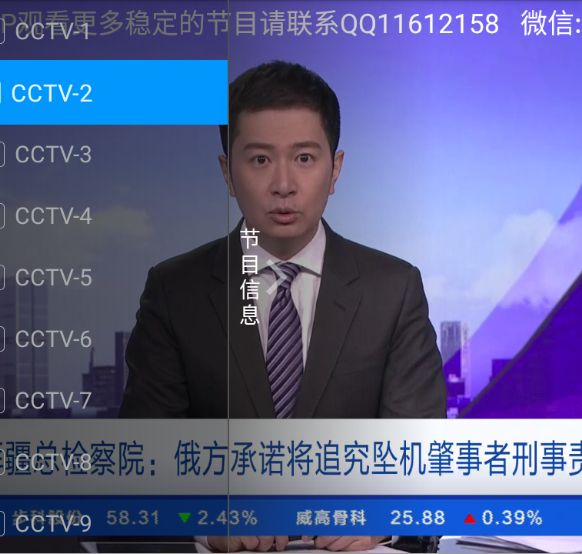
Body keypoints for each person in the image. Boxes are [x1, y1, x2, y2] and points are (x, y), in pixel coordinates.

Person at [120, 61, 446, 551]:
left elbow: (424, 463)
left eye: (305, 158)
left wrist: (384, 513)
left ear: (335, 169)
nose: (284, 185)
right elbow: (139, 467)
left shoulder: (393, 289)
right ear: (228, 173)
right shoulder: (175, 291)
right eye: (259, 160)